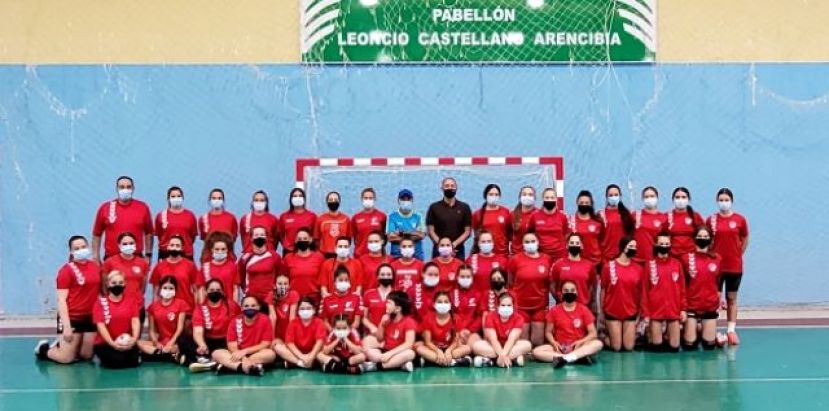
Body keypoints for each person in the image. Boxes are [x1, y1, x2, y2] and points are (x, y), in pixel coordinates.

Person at [35, 236, 101, 364]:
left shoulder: (95, 267)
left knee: (86, 356)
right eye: (76, 248)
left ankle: (65, 345)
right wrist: (66, 327)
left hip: (90, 317)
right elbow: (61, 300)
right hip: (72, 317)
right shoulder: (66, 271)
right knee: (66, 359)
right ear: (71, 251)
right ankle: (43, 349)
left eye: (83, 247)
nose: (81, 250)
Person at [707, 188, 749, 345]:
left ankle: (731, 330)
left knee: (731, 298)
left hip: (734, 267)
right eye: (721, 199)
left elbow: (745, 238)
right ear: (717, 201)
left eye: (726, 199)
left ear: (731, 201)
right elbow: (707, 241)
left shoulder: (740, 220)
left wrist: (738, 254)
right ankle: (712, 330)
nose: (723, 202)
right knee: (714, 300)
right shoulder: (711, 220)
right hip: (716, 268)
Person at [532, 280, 603, 367]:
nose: (569, 292)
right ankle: (571, 358)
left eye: (572, 290)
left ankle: (568, 357)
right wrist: (553, 342)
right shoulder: (554, 310)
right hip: (560, 348)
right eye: (566, 290)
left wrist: (581, 341)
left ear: (576, 292)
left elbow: (593, 333)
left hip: (579, 347)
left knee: (598, 344)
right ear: (561, 293)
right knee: (536, 352)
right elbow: (548, 332)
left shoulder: (584, 310)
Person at [182, 279, 241, 372]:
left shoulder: (232, 306)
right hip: (208, 341)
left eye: (218, 290)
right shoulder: (200, 308)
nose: (215, 292)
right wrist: (202, 345)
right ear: (205, 292)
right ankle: (212, 361)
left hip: (226, 341)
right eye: (211, 290)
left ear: (222, 292)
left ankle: (206, 361)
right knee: (182, 339)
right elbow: (198, 331)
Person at [92, 176, 153, 262]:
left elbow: (149, 233)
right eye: (122, 187)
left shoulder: (143, 207)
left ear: (133, 189)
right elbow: (96, 234)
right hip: (111, 260)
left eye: (128, 187)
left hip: (137, 259)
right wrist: (95, 257)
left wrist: (148, 255)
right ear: (117, 189)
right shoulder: (105, 208)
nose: (125, 189)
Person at [642, 232, 686, 352]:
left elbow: (682, 289)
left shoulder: (677, 264)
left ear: (670, 245)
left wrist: (683, 309)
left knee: (675, 346)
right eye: (661, 243)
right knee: (657, 345)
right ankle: (648, 335)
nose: (664, 246)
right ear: (656, 245)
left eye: (667, 243)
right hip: (656, 311)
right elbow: (645, 291)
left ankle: (668, 335)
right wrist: (646, 314)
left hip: (673, 311)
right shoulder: (649, 265)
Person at [507, 232, 552, 347]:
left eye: (532, 241)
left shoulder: (547, 259)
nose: (530, 244)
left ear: (538, 243)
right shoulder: (515, 260)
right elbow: (510, 282)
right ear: (522, 244)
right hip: (521, 306)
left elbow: (550, 283)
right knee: (524, 343)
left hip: (540, 307)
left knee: (537, 342)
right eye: (527, 242)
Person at [682, 226, 723, 351]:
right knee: (690, 345)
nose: (702, 239)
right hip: (692, 305)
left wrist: (717, 300)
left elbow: (718, 282)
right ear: (694, 238)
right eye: (700, 236)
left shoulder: (717, 258)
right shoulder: (686, 258)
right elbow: (682, 285)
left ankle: (712, 335)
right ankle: (690, 330)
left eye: (706, 237)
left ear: (710, 239)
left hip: (709, 305)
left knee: (709, 345)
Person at [212, 296, 276, 376]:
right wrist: (243, 357)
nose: (250, 308)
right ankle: (246, 367)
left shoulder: (265, 320)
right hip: (238, 354)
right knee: (216, 353)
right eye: (246, 306)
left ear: (259, 307)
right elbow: (232, 346)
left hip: (257, 353)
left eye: (253, 306)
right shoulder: (234, 321)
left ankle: (231, 367)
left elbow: (265, 344)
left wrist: (245, 352)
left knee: (271, 354)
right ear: (241, 308)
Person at [600, 236, 644, 352]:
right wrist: (602, 312)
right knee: (617, 347)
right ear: (623, 248)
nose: (633, 249)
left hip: (630, 312)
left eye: (635, 247)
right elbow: (603, 290)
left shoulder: (638, 269)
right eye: (631, 246)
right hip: (612, 311)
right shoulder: (608, 267)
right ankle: (603, 338)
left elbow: (640, 293)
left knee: (629, 347)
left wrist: (639, 314)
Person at [92, 271, 141, 369]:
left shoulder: (131, 300)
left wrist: (134, 339)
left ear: (125, 284)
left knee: (133, 362)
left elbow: (135, 321)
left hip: (126, 342)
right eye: (113, 283)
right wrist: (112, 344)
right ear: (107, 284)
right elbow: (101, 326)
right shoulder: (100, 303)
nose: (117, 285)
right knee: (116, 362)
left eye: (120, 283)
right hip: (105, 343)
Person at [361, 291, 418, 372]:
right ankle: (400, 364)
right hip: (386, 351)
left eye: (389, 303)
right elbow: (379, 339)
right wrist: (381, 323)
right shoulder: (387, 319)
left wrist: (390, 354)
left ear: (398, 308)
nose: (386, 305)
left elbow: (409, 344)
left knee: (410, 353)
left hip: (400, 352)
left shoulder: (409, 321)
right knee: (370, 351)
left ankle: (376, 366)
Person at [472, 293, 531, 368]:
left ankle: (492, 360)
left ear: (513, 306)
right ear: (498, 306)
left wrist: (503, 355)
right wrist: (502, 355)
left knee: (527, 345)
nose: (506, 307)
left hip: (511, 346)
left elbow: (511, 339)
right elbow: (493, 340)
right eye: (503, 305)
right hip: (493, 346)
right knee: (476, 346)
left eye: (509, 305)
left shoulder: (519, 318)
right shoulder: (490, 317)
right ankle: (512, 359)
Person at [137, 276, 188, 363]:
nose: (168, 290)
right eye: (165, 288)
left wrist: (171, 343)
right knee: (138, 343)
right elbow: (152, 330)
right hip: (160, 342)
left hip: (175, 342)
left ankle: (159, 355)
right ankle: (168, 356)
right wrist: (156, 342)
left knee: (181, 347)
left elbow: (180, 329)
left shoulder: (181, 304)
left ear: (175, 290)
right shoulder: (153, 307)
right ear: (160, 289)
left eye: (171, 288)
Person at [101, 232, 149, 323]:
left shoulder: (142, 263)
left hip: (137, 306)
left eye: (131, 243)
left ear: (135, 245)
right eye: (125, 244)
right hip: (116, 308)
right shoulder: (109, 262)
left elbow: (143, 287)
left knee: (135, 336)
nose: (128, 246)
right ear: (119, 245)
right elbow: (104, 287)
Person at [416, 291, 473, 367]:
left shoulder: (456, 319)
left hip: (450, 349)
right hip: (434, 349)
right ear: (434, 304)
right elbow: (428, 342)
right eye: (439, 302)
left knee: (467, 348)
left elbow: (455, 341)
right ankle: (452, 362)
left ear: (450, 304)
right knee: (419, 348)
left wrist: (449, 351)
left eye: (446, 302)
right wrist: (438, 351)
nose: (443, 304)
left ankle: (432, 362)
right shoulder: (428, 318)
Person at [273, 297, 327, 369]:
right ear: (298, 311)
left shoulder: (319, 322)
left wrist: (311, 356)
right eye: (302, 308)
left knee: (324, 351)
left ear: (314, 310)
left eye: (308, 308)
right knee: (277, 347)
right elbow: (289, 343)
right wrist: (302, 357)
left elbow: (319, 342)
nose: (305, 311)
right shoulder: (293, 323)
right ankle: (302, 363)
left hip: (313, 352)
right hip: (297, 352)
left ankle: (295, 362)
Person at [150, 235, 201, 311]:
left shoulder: (190, 266)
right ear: (168, 247)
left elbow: (196, 291)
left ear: (182, 248)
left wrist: (197, 311)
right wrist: (156, 311)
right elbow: (155, 294)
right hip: (165, 311)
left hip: (187, 310)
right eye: (172, 245)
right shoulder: (159, 266)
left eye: (177, 245)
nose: (174, 248)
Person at [426, 177, 472, 259]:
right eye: (447, 186)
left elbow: (467, 232)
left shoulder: (465, 207)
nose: (450, 188)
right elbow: (430, 231)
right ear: (442, 188)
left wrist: (453, 245)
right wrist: (443, 246)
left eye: (452, 185)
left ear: (456, 188)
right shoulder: (434, 207)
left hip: (458, 251)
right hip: (439, 250)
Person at [238, 226, 284, 303]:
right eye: (256, 235)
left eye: (262, 235)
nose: (259, 237)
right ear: (251, 238)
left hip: (270, 299)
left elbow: (280, 276)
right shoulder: (244, 258)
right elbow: (242, 279)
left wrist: (276, 295)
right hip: (251, 300)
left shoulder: (275, 257)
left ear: (266, 238)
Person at [550, 233, 596, 307]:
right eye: (572, 243)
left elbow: (592, 286)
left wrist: (587, 299)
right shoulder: (558, 264)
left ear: (581, 246)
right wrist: (559, 299)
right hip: (563, 307)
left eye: (577, 243)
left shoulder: (589, 265)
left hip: (583, 307)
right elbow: (552, 285)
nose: (574, 245)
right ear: (567, 246)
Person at [283, 227, 325, 302]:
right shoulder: (288, 258)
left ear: (310, 240)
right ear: (295, 241)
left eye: (305, 238)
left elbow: (323, 281)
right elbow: (284, 280)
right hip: (293, 300)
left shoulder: (319, 257)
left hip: (314, 300)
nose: (302, 240)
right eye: (299, 239)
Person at [155, 186, 198, 260]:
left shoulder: (190, 215)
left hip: (186, 254)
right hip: (166, 254)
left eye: (178, 196)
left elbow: (192, 237)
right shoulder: (161, 215)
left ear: (182, 198)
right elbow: (160, 236)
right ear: (168, 199)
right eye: (173, 196)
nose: (176, 198)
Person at [527, 188, 569, 262]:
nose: (549, 200)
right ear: (543, 199)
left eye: (552, 198)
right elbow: (529, 234)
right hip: (541, 256)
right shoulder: (534, 216)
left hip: (560, 256)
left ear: (556, 199)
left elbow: (566, 234)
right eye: (547, 197)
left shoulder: (562, 217)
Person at [198, 232, 241, 303]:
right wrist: (201, 307)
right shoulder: (205, 267)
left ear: (227, 250)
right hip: (210, 307)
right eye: (217, 249)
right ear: (212, 250)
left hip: (228, 307)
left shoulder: (233, 266)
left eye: (223, 249)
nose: (220, 251)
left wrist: (235, 307)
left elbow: (236, 289)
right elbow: (201, 289)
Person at [472, 184, 512, 256]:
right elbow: (476, 235)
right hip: (484, 253)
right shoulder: (477, 214)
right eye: (491, 194)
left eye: (496, 194)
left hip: (502, 254)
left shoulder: (505, 211)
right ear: (485, 195)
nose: (494, 196)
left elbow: (509, 233)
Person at [599, 184, 636, 262]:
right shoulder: (600, 215)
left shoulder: (627, 214)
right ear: (606, 197)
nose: (613, 197)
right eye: (611, 195)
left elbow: (631, 234)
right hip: (606, 258)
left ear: (620, 196)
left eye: (616, 195)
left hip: (623, 257)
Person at [386, 189, 426, 260]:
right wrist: (413, 233)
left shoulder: (418, 216)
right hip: (397, 254)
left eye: (408, 199)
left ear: (412, 200)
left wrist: (402, 233)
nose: (406, 201)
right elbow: (390, 237)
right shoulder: (392, 216)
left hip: (416, 255)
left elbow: (421, 235)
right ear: (398, 201)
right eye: (403, 199)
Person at [465, 230, 509, 295]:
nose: (486, 243)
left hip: (495, 299)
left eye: (489, 241)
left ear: (493, 243)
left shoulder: (502, 261)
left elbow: (507, 284)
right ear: (478, 243)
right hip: (476, 300)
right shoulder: (470, 260)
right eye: (483, 242)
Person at [633, 186, 668, 262]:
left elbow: (666, 241)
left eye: (652, 196)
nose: (649, 199)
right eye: (646, 197)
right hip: (636, 259)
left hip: (654, 260)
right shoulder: (635, 215)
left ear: (657, 198)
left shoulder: (664, 218)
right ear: (642, 199)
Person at [569, 190, 605, 264]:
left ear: (591, 204)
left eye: (587, 203)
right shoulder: (570, 221)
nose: (584, 205)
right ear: (577, 203)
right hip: (577, 261)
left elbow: (602, 242)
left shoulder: (597, 222)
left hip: (595, 262)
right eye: (581, 203)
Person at [278, 188, 317, 255]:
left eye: (300, 196)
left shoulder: (312, 216)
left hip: (306, 252)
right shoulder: (284, 216)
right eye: (295, 196)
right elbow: (280, 235)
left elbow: (315, 235)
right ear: (291, 199)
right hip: (289, 252)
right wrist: (288, 245)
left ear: (304, 199)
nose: (297, 198)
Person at [451, 265, 483, 348]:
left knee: (474, 345)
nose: (465, 279)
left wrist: (470, 330)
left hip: (472, 332)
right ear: (457, 277)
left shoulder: (478, 294)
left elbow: (480, 317)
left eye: (468, 276)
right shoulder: (451, 293)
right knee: (455, 343)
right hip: (455, 332)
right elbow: (448, 315)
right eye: (462, 276)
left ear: (472, 278)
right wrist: (457, 331)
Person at [362, 264, 395, 339]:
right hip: (373, 335)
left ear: (392, 276)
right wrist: (372, 327)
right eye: (382, 274)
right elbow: (364, 318)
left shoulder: (398, 294)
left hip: (392, 336)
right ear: (378, 276)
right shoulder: (368, 294)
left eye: (389, 274)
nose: (386, 277)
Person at [667, 187, 704, 256]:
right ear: (673, 200)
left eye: (683, 197)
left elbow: (704, 235)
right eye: (677, 197)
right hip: (673, 255)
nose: (680, 200)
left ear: (688, 199)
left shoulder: (695, 216)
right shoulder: (667, 216)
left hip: (692, 255)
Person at [352, 188, 387, 258]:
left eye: (370, 198)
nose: (368, 200)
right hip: (360, 255)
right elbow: (355, 238)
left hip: (377, 254)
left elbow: (384, 235)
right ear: (362, 199)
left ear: (375, 199)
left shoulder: (382, 216)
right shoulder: (355, 218)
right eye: (366, 198)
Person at [314, 191, 351, 258]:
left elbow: (349, 239)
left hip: (341, 255)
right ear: (327, 202)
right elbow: (316, 239)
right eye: (331, 200)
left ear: (339, 202)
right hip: (324, 255)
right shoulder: (320, 219)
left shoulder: (346, 219)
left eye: (335, 200)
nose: (333, 202)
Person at [267, 274, 299, 345]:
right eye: (279, 284)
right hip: (278, 333)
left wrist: (290, 338)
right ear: (274, 285)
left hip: (290, 331)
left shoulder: (293, 294)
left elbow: (292, 318)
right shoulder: (271, 295)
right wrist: (272, 338)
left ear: (289, 285)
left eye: (285, 283)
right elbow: (273, 317)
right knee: (276, 346)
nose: (282, 286)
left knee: (289, 346)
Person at [511, 186, 537, 256]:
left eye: (530, 195)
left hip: (534, 255)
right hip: (516, 255)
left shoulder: (539, 214)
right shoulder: (512, 215)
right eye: (524, 194)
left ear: (534, 198)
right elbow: (508, 235)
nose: (527, 196)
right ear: (520, 197)